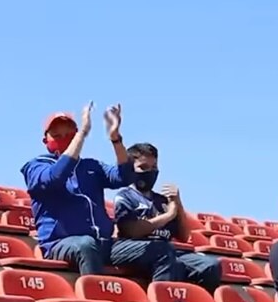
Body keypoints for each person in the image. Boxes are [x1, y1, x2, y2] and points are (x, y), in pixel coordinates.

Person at [23, 104, 174, 279]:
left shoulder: (91, 166)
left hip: (104, 244)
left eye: (70, 134)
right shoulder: (36, 166)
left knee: (161, 249)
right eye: (57, 135)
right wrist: (81, 135)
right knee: (85, 245)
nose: (65, 138)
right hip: (62, 244)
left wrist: (115, 139)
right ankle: (95, 298)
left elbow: (124, 177)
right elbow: (56, 176)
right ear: (45, 140)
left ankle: (161, 301)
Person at [112, 142, 222, 292]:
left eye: (154, 167)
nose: (150, 172)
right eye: (143, 167)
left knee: (209, 265)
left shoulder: (162, 200)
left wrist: (178, 204)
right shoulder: (125, 196)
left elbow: (184, 236)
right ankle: (164, 301)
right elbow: (131, 230)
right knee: (163, 251)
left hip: (168, 252)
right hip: (138, 251)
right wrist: (168, 215)